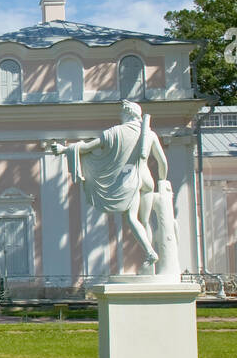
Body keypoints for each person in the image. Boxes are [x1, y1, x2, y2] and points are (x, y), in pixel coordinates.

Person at [49, 100, 168, 269]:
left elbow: (87, 148)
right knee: (145, 221)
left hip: (130, 180)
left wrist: (64, 149)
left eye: (122, 112)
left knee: (132, 218)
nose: (120, 115)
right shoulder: (149, 133)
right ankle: (151, 267)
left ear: (128, 113)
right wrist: (163, 181)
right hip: (147, 180)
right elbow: (162, 162)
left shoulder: (115, 132)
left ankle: (150, 252)